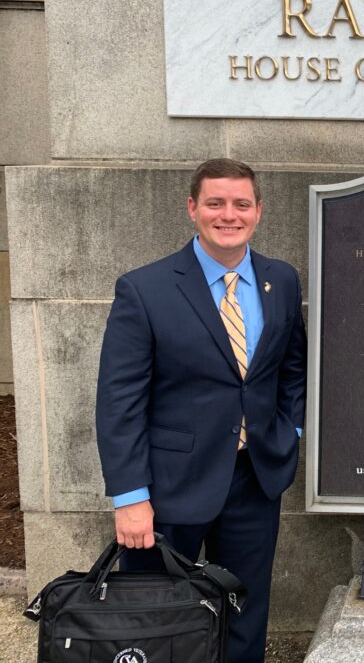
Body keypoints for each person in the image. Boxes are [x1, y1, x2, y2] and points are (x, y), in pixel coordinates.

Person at [95, 158, 307, 663]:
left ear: (258, 212)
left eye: (240, 204)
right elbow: (119, 400)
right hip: (168, 488)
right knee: (156, 620)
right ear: (193, 208)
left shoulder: (282, 280)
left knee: (244, 611)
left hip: (254, 477)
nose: (227, 215)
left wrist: (289, 430)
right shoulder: (144, 290)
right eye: (215, 203)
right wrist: (130, 497)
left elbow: (291, 367)